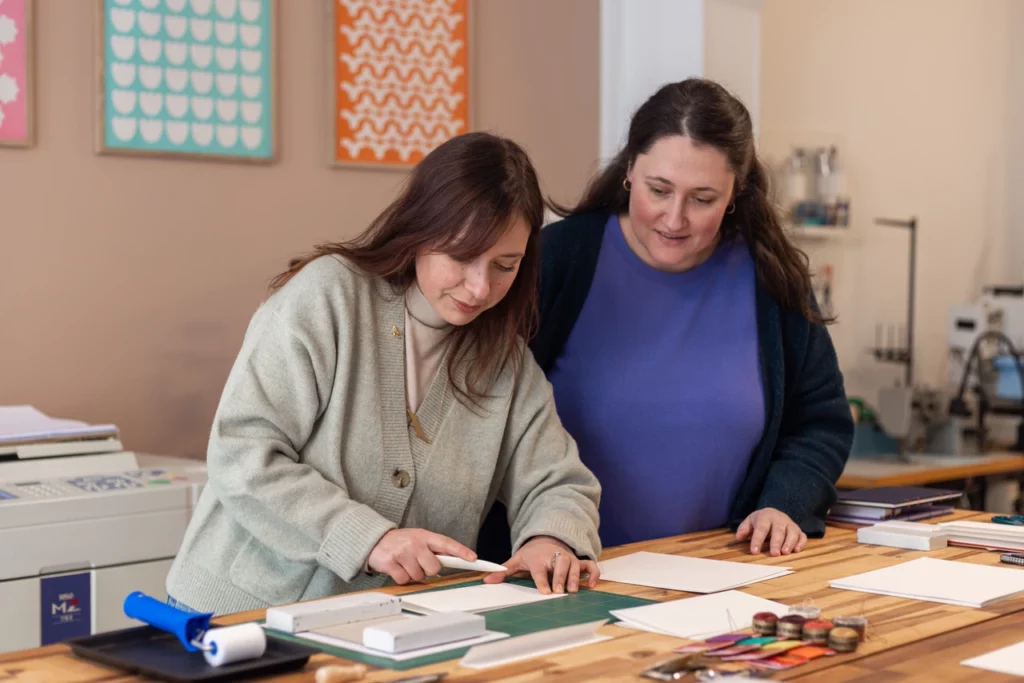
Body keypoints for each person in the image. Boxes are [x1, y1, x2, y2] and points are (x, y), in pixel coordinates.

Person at [165, 132, 602, 616]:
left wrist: (551, 537)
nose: (480, 287)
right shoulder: (329, 297)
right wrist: (369, 538)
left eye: (505, 265)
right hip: (238, 613)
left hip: (380, 627)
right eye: (460, 256)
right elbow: (242, 453)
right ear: (419, 231)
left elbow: (558, 481)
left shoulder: (507, 363)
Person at [479, 78, 853, 560]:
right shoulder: (555, 262)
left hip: (719, 575)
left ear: (735, 193)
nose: (674, 219)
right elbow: (481, 413)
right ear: (630, 169)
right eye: (659, 190)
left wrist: (785, 503)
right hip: (560, 575)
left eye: (702, 199)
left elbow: (821, 422)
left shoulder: (770, 279)